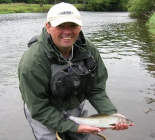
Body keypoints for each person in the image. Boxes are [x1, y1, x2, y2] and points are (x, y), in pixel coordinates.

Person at [18, 2, 133, 140]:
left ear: (80, 27)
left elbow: (95, 88)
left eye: (73, 25)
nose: (67, 31)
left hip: (73, 104)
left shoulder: (88, 50)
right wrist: (74, 126)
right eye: (60, 26)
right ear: (48, 27)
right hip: (43, 109)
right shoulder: (32, 62)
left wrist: (110, 115)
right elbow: (38, 108)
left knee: (81, 137)